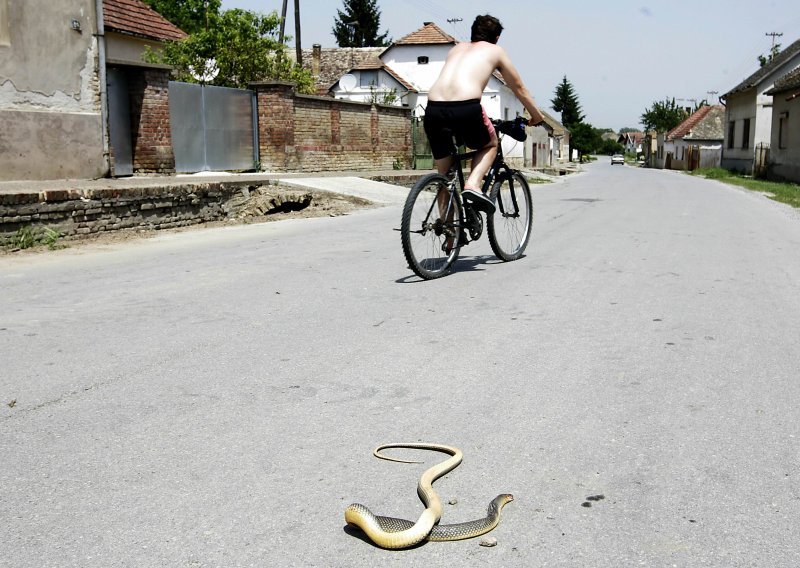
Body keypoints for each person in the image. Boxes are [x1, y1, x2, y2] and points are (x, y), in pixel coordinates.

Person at [424, 14, 547, 214]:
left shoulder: (455, 49)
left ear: (473, 33)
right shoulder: (495, 51)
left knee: (444, 176)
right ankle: (473, 185)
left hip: (433, 110)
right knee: (490, 144)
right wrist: (537, 116)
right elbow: (519, 89)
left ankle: (448, 232)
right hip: (466, 108)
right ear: (497, 37)